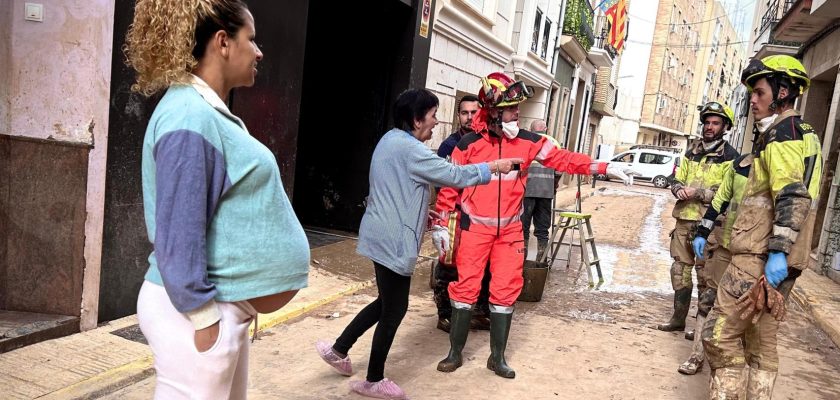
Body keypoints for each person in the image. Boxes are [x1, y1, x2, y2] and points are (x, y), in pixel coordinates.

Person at [126, 1, 309, 398]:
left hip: (216, 310)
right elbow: (177, 232)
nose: (259, 52)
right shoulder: (190, 117)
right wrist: (205, 318)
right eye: (252, 39)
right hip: (195, 314)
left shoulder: (206, 112)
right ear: (223, 42)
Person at [315, 88, 522, 399]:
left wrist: (422, 211)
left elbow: (395, 187)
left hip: (379, 231)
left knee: (385, 302)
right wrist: (494, 167)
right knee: (395, 309)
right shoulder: (413, 150)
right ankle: (373, 379)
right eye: (432, 115)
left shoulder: (390, 140)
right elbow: (452, 174)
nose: (436, 122)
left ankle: (338, 349)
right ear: (415, 119)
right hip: (393, 239)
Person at [434, 72, 634, 379]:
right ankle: (454, 353)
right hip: (474, 230)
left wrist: (604, 167)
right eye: (512, 108)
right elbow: (449, 186)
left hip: (510, 233)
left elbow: (564, 160)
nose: (518, 113)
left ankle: (497, 357)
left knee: (504, 293)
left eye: (518, 108)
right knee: (464, 291)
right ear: (494, 111)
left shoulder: (529, 142)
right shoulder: (468, 144)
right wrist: (440, 225)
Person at [701, 55, 823, 398]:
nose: (752, 101)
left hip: (758, 255)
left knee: (718, 334)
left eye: (758, 92)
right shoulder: (806, 134)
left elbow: (791, 194)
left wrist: (777, 252)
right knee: (760, 339)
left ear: (783, 91)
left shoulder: (782, 133)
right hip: (782, 258)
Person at [657, 102, 739, 337]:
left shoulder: (730, 157)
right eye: (707, 122)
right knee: (679, 271)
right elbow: (676, 178)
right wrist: (678, 188)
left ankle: (700, 327)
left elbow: (726, 193)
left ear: (725, 127)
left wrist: (699, 193)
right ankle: (678, 319)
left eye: (715, 123)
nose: (709, 127)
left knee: (706, 278)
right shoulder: (691, 152)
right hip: (683, 220)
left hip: (709, 227)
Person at [677, 152, 751, 375]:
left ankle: (736, 366)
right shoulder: (741, 164)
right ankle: (697, 355)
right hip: (726, 244)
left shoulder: (781, 168)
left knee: (746, 308)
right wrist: (703, 230)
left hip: (755, 252)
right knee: (709, 298)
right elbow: (720, 200)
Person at [433, 94, 493, 333]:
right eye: (464, 113)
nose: (469, 117)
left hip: (480, 216)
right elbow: (442, 183)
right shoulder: (450, 145)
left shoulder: (486, 141)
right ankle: (445, 314)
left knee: (482, 265)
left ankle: (477, 311)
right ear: (458, 115)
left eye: (474, 112)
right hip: (456, 215)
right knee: (449, 265)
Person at [521, 119, 562, 262]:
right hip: (545, 192)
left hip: (526, 192)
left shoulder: (526, 142)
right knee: (543, 229)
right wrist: (554, 186)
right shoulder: (554, 144)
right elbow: (559, 169)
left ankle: (520, 261)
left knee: (522, 228)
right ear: (546, 129)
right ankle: (541, 260)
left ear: (531, 130)